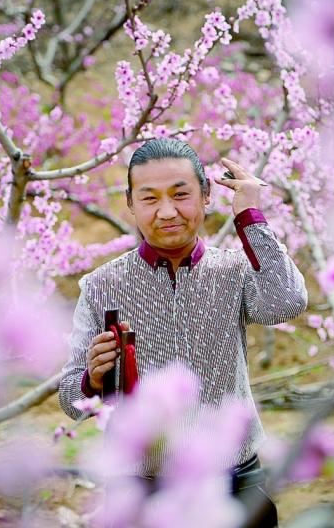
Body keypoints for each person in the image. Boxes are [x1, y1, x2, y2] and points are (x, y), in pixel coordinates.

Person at [59, 138, 308, 528]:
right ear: (130, 203)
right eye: (149, 198)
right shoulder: (100, 285)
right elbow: (71, 401)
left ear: (207, 195)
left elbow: (288, 301)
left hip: (233, 478)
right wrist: (91, 379)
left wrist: (250, 217)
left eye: (181, 195)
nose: (167, 211)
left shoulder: (234, 272)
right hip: (143, 487)